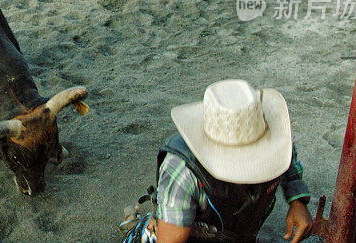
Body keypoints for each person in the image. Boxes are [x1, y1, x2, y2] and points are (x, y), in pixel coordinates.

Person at [121, 80, 314, 243]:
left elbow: (287, 155)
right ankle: (137, 222)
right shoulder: (181, 170)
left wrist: (297, 200)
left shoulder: (276, 137)